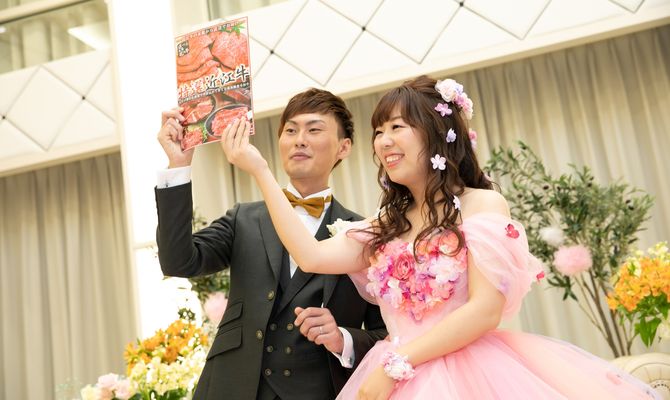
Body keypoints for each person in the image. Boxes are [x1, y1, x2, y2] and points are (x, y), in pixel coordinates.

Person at [218, 75, 660, 399]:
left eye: (397, 127)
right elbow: (310, 254)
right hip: (394, 375)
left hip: (468, 374)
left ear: (434, 133)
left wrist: (397, 365)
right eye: (378, 132)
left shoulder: (481, 205)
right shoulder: (385, 225)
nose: (383, 142)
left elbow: (485, 310)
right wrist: (260, 170)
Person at [155, 88, 387, 400]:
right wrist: (178, 165)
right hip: (231, 389)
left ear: (344, 147)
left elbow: (387, 335)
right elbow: (178, 261)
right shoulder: (243, 219)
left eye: (314, 130)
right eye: (290, 130)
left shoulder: (365, 235)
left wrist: (342, 337)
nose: (299, 140)